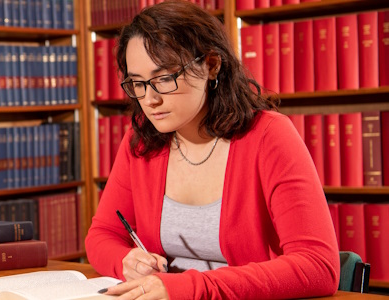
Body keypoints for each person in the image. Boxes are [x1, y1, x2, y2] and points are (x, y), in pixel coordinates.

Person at [85, 1, 340, 299]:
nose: (150, 99)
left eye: (165, 78)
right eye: (138, 83)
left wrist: (189, 288)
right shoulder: (142, 139)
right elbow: (102, 236)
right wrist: (126, 261)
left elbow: (318, 266)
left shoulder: (269, 136)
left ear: (210, 65)